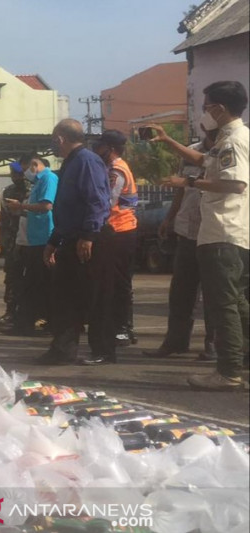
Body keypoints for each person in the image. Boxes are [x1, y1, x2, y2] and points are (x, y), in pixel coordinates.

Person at [161, 81, 249, 391]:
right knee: (236, 303)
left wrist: (189, 184)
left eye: (207, 106)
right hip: (233, 233)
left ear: (219, 109)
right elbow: (205, 162)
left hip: (223, 233)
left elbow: (235, 184)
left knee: (222, 304)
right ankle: (239, 365)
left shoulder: (233, 142)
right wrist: (169, 141)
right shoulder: (231, 139)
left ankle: (228, 371)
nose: (204, 112)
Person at [37, 119, 111, 365]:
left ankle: (102, 351)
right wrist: (53, 241)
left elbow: (97, 201)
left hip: (87, 239)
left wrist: (88, 235)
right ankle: (63, 349)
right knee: (64, 297)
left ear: (60, 138)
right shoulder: (70, 163)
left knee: (93, 297)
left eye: (54, 139)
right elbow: (66, 208)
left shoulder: (86, 161)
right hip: (68, 237)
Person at [142, 124, 218, 361]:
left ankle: (213, 347)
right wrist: (169, 218)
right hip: (188, 231)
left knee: (215, 295)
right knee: (181, 292)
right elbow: (180, 189)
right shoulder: (191, 151)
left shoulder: (230, 151)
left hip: (216, 233)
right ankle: (175, 342)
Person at [83, 130, 139, 365]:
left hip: (119, 230)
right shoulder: (110, 167)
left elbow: (107, 201)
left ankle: (123, 328)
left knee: (117, 284)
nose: (97, 149)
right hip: (117, 230)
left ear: (111, 148)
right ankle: (120, 327)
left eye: (101, 146)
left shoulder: (117, 170)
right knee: (115, 283)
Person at [5, 155, 58, 336]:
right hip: (35, 238)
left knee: (37, 283)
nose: (25, 173)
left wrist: (22, 206)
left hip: (45, 238)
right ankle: (36, 321)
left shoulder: (48, 178)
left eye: (26, 168)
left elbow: (46, 206)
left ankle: (30, 323)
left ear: (35, 164)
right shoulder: (38, 182)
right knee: (35, 283)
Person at [0, 158, 32, 326]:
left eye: (17, 174)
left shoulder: (33, 190)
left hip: (32, 238)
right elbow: (4, 218)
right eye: (12, 174)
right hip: (13, 239)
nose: (14, 177)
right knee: (12, 277)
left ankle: (34, 313)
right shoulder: (8, 191)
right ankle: (11, 311)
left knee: (31, 278)